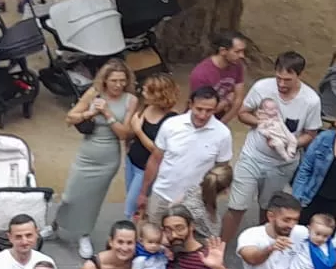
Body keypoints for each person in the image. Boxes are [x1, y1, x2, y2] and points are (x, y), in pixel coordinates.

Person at [220, 51, 321, 243]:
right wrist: (261, 123)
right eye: (278, 78)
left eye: (287, 80)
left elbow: (310, 134)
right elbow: (243, 113)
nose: (281, 84)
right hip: (253, 156)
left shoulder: (311, 100)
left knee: (268, 209)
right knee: (237, 206)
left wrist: (288, 142)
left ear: (299, 75)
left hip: (282, 164)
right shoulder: (262, 87)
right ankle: (221, 248)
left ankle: (261, 246)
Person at [53, 62, 136, 255]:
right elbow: (70, 118)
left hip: (109, 157)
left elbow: (124, 134)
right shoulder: (94, 93)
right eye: (114, 80)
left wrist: (108, 114)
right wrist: (91, 112)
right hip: (87, 153)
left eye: (122, 81)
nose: (118, 85)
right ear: (105, 80)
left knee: (93, 200)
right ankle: (56, 225)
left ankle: (84, 234)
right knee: (69, 197)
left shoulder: (130, 100)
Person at [138, 86, 234, 225]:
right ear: (190, 105)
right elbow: (155, 160)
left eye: (209, 111)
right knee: (153, 240)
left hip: (196, 201)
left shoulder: (223, 134)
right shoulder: (171, 125)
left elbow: (221, 170)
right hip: (162, 195)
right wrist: (143, 192)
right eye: (199, 109)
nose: (203, 115)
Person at [118, 75, 179, 234]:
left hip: (146, 169)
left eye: (147, 90)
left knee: (132, 205)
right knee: (134, 202)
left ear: (157, 94)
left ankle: (129, 234)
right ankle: (138, 234)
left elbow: (157, 150)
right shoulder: (147, 107)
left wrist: (138, 130)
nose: (143, 92)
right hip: (133, 161)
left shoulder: (171, 119)